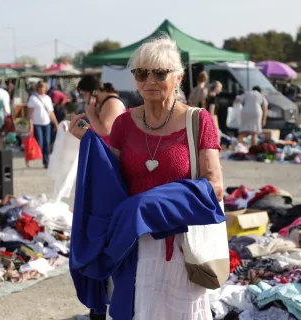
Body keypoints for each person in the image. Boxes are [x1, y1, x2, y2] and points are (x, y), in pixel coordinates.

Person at [69, 36, 223, 320]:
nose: (150, 79)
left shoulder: (199, 121)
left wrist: (150, 205)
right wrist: (89, 141)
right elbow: (110, 179)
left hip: (180, 247)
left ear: (178, 77)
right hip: (132, 247)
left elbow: (215, 187)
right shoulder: (124, 123)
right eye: (141, 73)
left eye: (160, 73)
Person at [76, 75, 126, 145]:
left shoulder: (111, 103)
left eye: (84, 94)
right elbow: (96, 130)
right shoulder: (103, 104)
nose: (85, 98)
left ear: (93, 92)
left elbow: (105, 131)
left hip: (111, 153)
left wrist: (91, 115)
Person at [27, 81, 59, 169]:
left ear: (45, 88)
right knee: (40, 142)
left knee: (47, 142)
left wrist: (56, 124)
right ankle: (35, 156)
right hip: (37, 124)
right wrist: (31, 124)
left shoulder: (48, 98)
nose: (41, 89)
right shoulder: (33, 98)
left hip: (46, 123)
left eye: (43, 87)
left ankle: (46, 161)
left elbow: (51, 112)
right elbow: (29, 113)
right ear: (37, 88)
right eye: (40, 87)